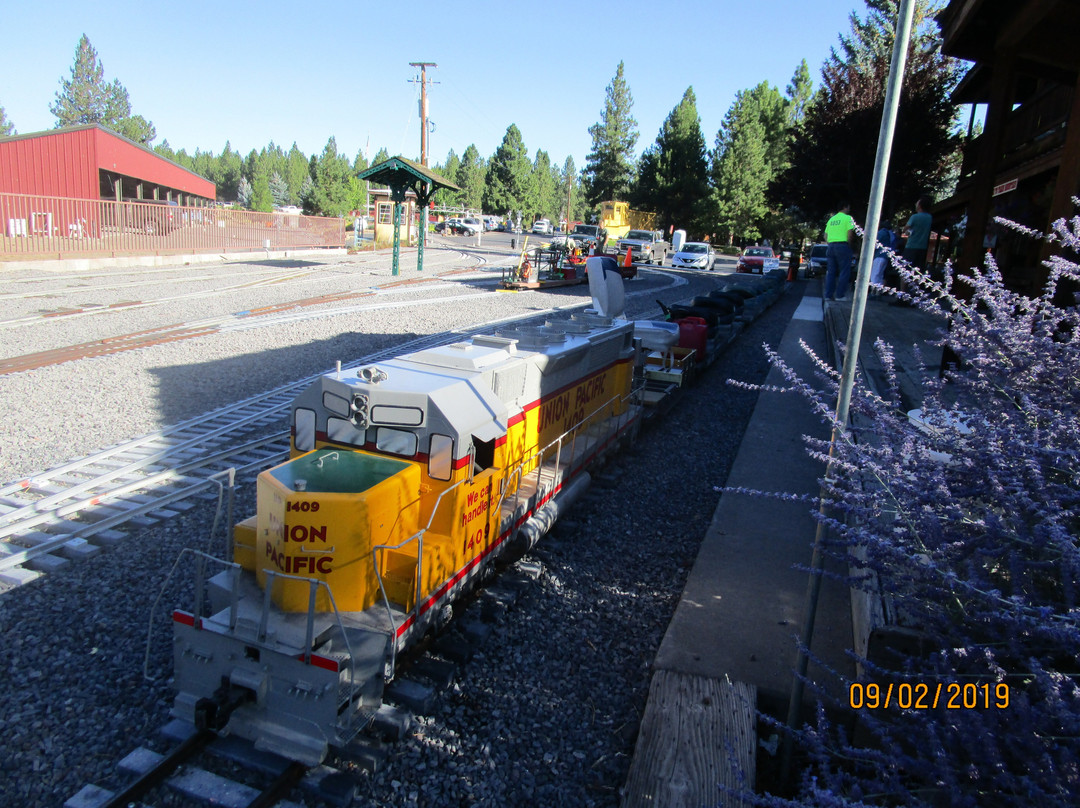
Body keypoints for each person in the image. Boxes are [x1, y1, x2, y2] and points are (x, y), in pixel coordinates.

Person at [896, 195, 933, 303]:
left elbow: (905, 230)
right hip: (923, 248)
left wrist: (908, 232)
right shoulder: (929, 218)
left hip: (911, 247)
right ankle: (914, 297)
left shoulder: (915, 217)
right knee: (917, 273)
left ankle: (902, 296)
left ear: (920, 205)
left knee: (904, 271)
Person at [824, 202, 856, 300]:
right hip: (842, 245)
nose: (849, 209)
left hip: (831, 246)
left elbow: (825, 236)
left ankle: (828, 295)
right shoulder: (848, 218)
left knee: (831, 272)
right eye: (848, 207)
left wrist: (831, 243)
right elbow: (850, 233)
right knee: (844, 271)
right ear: (845, 207)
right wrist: (849, 245)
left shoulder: (831, 219)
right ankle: (840, 295)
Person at [870, 219, 895, 291]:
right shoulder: (889, 234)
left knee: (874, 274)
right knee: (880, 275)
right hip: (885, 257)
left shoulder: (881, 233)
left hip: (879, 256)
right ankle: (879, 292)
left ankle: (873, 292)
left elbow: (873, 242)